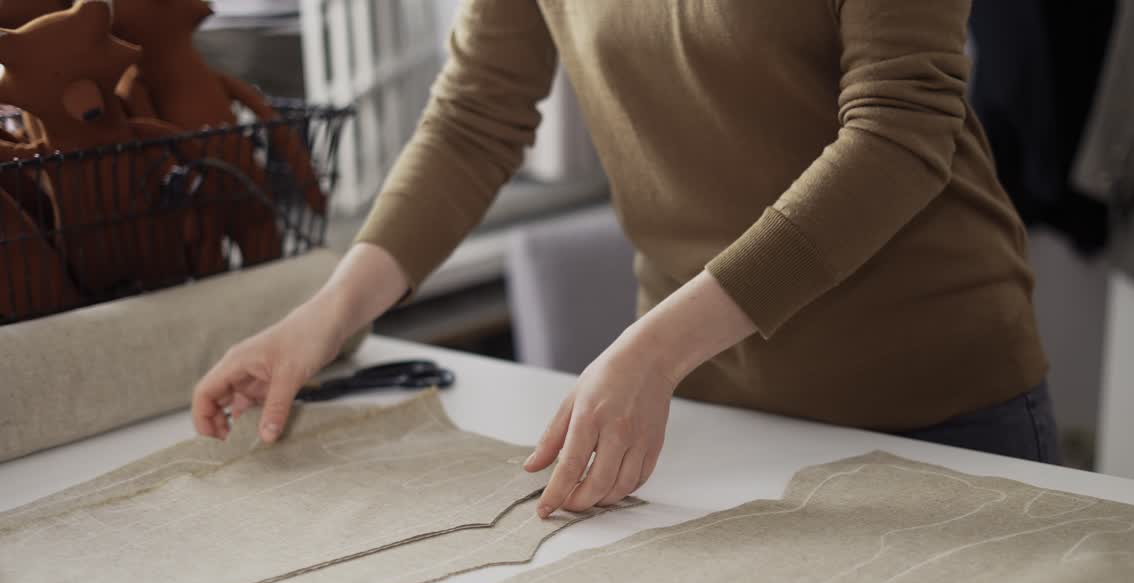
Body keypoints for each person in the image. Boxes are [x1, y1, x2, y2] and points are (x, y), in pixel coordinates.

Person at [192, 0, 1059, 520]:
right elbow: (473, 120)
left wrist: (655, 348)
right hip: (714, 412)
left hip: (930, 401)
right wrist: (327, 313)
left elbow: (898, 134)